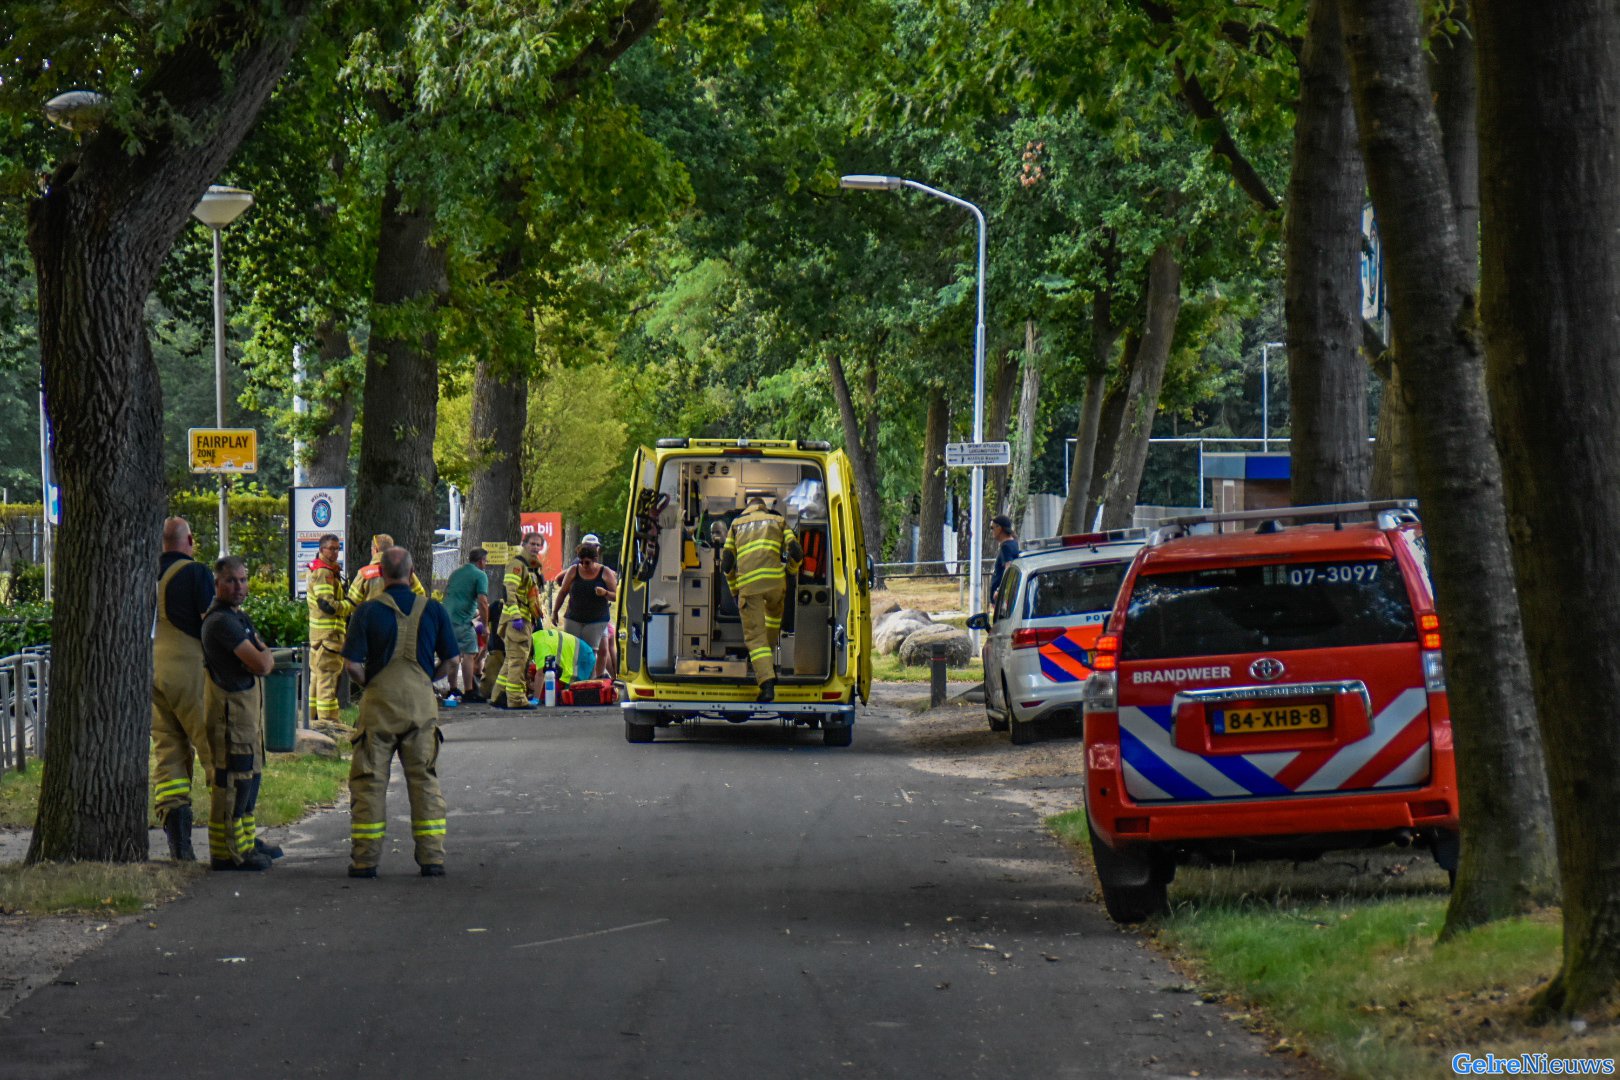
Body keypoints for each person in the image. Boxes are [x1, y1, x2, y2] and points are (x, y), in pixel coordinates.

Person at [341, 547, 458, 878]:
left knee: (369, 783)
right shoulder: (433, 609)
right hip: (420, 706)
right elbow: (451, 661)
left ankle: (365, 861)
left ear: (381, 573)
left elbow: (352, 665)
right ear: (411, 573)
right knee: (424, 780)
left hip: (378, 707)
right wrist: (426, 680)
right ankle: (432, 858)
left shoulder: (366, 612)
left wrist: (372, 683)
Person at [201, 555, 277, 872]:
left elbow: (263, 656)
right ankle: (228, 851)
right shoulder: (222, 623)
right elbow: (262, 663)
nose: (239, 587)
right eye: (232, 580)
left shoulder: (239, 618)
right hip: (230, 716)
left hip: (246, 717)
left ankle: (245, 843)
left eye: (243, 580)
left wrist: (262, 656)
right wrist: (261, 657)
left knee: (250, 779)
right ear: (217, 584)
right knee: (233, 782)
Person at [151, 517, 216, 862]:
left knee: (169, 754)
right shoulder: (196, 574)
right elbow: (213, 623)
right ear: (189, 539)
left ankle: (180, 844)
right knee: (214, 748)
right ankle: (231, 839)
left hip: (152, 671)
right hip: (190, 670)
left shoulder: (145, 573)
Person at [722, 492, 802, 703]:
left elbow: (727, 563)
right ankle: (769, 661)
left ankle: (766, 683)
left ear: (747, 508)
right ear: (763, 508)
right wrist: (792, 571)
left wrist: (733, 590)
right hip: (776, 584)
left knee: (755, 638)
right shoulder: (778, 520)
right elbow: (795, 552)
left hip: (750, 588)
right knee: (772, 621)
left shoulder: (736, 524)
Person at [551, 538, 618, 679]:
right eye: (581, 561)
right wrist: (555, 612)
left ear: (595, 559)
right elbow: (563, 591)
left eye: (586, 562)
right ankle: (572, 679)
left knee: (591, 651)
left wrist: (605, 593)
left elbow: (616, 596)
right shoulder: (574, 570)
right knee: (571, 650)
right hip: (574, 617)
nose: (583, 565)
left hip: (596, 619)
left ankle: (591, 681)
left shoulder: (605, 572)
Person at [495, 532, 545, 708]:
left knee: (511, 659)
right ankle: (516, 700)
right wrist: (516, 617)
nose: (535, 547)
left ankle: (499, 696)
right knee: (518, 661)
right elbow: (510, 591)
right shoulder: (518, 565)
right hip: (518, 619)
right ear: (524, 544)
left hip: (524, 618)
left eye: (539, 545)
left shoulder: (531, 567)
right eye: (532, 544)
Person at [305, 533, 351, 725]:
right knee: (327, 680)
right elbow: (327, 605)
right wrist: (349, 606)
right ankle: (328, 723)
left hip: (319, 637)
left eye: (337, 548)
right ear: (321, 549)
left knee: (317, 679)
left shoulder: (323, 570)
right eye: (331, 548)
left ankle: (312, 720)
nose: (335, 552)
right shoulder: (324, 572)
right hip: (329, 636)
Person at [442, 548, 490, 704]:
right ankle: (469, 691)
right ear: (481, 561)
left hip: (446, 619)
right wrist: (485, 626)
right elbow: (483, 601)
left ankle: (453, 688)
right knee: (469, 654)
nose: (486, 563)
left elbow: (448, 594)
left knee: (453, 656)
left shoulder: (456, 573)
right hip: (462, 620)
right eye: (486, 560)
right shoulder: (480, 575)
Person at [346, 532, 426, 609]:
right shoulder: (405, 571)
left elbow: (352, 602)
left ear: (376, 550)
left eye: (371, 549)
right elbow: (421, 596)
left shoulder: (364, 573)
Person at [989, 514, 1020, 610]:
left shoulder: (1006, 546)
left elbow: (1008, 568)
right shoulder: (1014, 543)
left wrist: (999, 590)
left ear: (999, 528)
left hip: (1002, 599)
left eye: (992, 528)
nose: (991, 531)